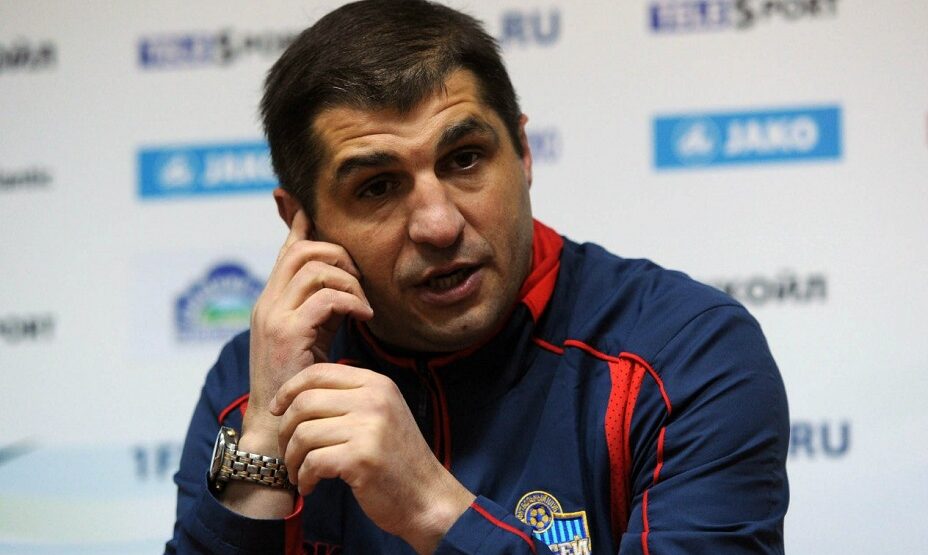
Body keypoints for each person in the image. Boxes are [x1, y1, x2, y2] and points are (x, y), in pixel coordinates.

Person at [167, 1, 789, 553]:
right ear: (300, 221)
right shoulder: (256, 381)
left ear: (523, 152)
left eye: (465, 159)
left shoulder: (683, 353)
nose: (438, 225)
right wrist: (265, 439)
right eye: (378, 187)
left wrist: (434, 510)